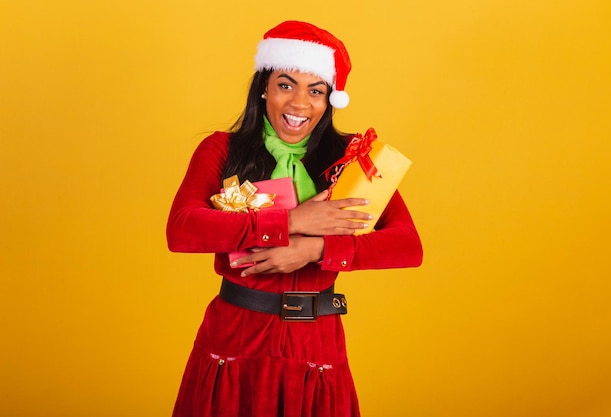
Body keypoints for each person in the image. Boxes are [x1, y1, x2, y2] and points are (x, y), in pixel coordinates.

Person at [167, 20, 423, 417]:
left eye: (316, 91)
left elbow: (408, 245)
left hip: (316, 342)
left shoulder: (354, 160)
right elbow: (183, 229)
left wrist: (315, 249)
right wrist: (291, 222)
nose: (300, 104)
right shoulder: (221, 149)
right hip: (236, 336)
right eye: (286, 85)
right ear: (264, 88)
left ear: (329, 99)